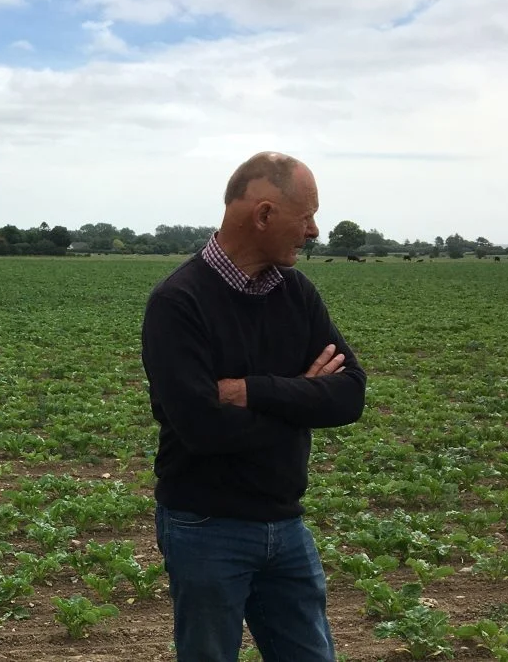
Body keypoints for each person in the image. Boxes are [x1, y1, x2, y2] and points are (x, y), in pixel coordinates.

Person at [139, 151, 367, 661]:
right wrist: (304, 395)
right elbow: (202, 429)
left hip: (286, 525)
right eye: (305, 215)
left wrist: (253, 391)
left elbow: (351, 394)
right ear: (263, 215)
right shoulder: (178, 302)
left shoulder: (297, 293)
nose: (314, 230)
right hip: (205, 526)